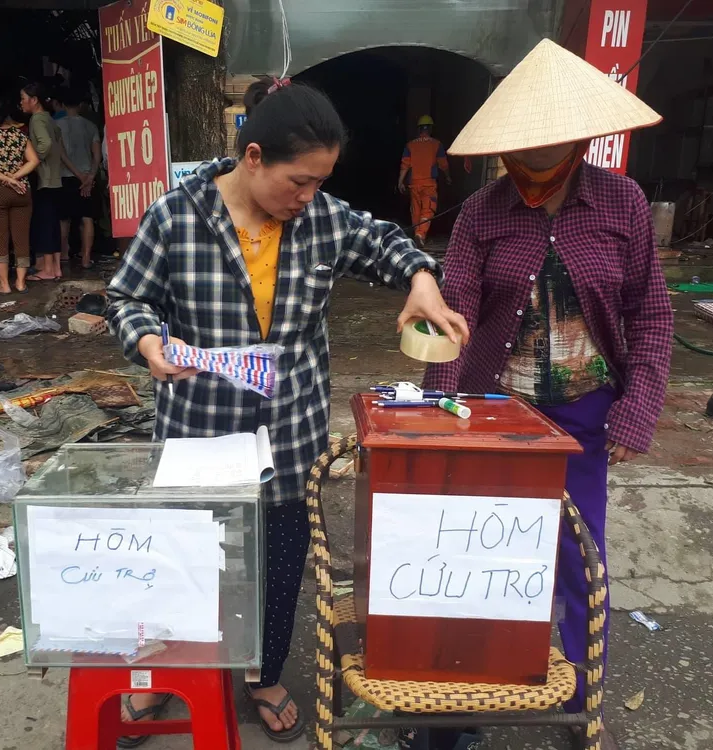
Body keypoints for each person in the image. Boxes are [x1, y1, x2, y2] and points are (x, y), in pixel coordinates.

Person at [106, 76, 468, 745]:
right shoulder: (177, 216)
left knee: (278, 564)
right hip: (198, 431)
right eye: (299, 181)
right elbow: (127, 299)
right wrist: (150, 343)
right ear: (252, 159)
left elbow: (387, 242)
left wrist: (421, 280)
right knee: (189, 561)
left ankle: (263, 674)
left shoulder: (322, 220)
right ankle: (166, 676)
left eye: (320, 183)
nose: (308, 197)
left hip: (289, 434)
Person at [421, 39, 671, 750]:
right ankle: (456, 712)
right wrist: (444, 410)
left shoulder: (622, 203)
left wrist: (638, 405)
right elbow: (454, 314)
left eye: (547, 138)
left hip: (586, 415)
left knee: (577, 556)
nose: (532, 154)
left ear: (580, 134)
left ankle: (580, 703)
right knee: (476, 562)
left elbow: (651, 314)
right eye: (521, 141)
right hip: (492, 410)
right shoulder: (481, 213)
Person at [21, 81, 86, 281]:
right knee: (54, 225)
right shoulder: (51, 120)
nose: (21, 103)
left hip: (45, 179)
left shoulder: (37, 120)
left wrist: (33, 160)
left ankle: (47, 270)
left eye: (23, 99)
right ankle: (55, 268)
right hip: (57, 178)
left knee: (46, 224)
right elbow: (59, 148)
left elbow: (46, 144)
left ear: (34, 100)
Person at [0, 97, 40, 294]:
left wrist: (4, 178)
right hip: (21, 191)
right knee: (22, 238)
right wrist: (14, 177)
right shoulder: (19, 135)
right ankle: (21, 282)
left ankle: (4, 285)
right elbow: (34, 160)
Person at [57, 87, 100, 269]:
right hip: (87, 180)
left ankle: (64, 254)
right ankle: (86, 258)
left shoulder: (57, 125)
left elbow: (61, 154)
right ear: (81, 105)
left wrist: (78, 175)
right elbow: (97, 155)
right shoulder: (90, 126)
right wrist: (90, 176)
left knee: (64, 219)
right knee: (87, 217)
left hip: (67, 177)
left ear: (62, 104)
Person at [397, 114, 451, 248]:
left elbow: (405, 165)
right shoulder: (436, 144)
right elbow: (443, 164)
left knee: (416, 210)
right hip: (429, 184)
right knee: (428, 210)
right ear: (430, 128)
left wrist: (400, 182)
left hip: (414, 184)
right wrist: (448, 176)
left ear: (419, 129)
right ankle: (420, 235)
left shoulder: (410, 145)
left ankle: (418, 236)